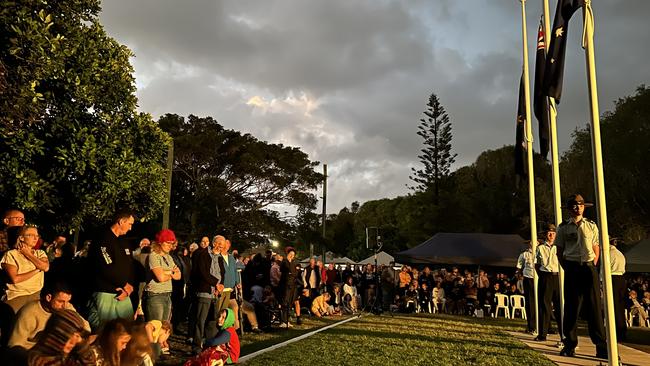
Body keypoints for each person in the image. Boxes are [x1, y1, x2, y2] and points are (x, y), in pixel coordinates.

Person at [555, 194, 607, 359]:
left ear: (584, 207)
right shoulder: (563, 227)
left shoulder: (591, 226)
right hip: (572, 267)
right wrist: (569, 267)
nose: (577, 207)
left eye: (580, 205)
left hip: (588, 267)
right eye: (574, 205)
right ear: (569, 209)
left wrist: (591, 265)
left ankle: (601, 346)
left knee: (594, 308)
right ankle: (569, 344)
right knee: (571, 307)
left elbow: (596, 248)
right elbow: (559, 251)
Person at [86, 210, 136, 331]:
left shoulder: (124, 241)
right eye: (129, 224)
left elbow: (130, 266)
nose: (130, 228)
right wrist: (124, 284)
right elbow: (106, 268)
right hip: (106, 292)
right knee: (107, 331)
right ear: (121, 221)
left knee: (128, 330)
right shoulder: (102, 239)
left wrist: (129, 287)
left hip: (124, 294)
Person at [9, 281, 89, 351]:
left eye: (67, 302)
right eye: (60, 301)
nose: (64, 306)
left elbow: (86, 327)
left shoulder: (66, 307)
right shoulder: (29, 313)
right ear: (48, 297)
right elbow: (14, 346)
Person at [1, 225, 49, 313]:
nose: (35, 238)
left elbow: (45, 267)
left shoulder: (40, 253)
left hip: (36, 294)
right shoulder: (11, 254)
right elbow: (15, 279)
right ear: (21, 238)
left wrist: (28, 254)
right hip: (17, 295)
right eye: (31, 235)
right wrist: (37, 269)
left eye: (37, 235)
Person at [26, 309, 95, 366]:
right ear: (57, 335)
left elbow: (89, 363)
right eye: (71, 335)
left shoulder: (63, 357)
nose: (74, 341)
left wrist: (81, 343)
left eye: (78, 336)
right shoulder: (35, 360)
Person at [189, 235, 221, 353]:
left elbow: (221, 271)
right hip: (204, 291)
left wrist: (220, 285)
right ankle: (196, 345)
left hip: (215, 293)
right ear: (215, 243)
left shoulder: (219, 257)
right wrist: (216, 283)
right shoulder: (203, 254)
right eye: (220, 246)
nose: (221, 248)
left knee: (212, 320)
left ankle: (210, 343)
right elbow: (203, 272)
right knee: (200, 320)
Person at [143, 229, 181, 322]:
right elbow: (160, 278)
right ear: (160, 242)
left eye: (172, 243)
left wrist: (166, 272)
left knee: (164, 328)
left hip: (167, 295)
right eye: (168, 243)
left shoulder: (168, 257)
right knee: (155, 328)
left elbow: (179, 275)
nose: (170, 246)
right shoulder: (153, 256)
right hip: (155, 295)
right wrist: (171, 273)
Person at [534, 223, 562, 342]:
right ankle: (542, 334)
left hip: (557, 276)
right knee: (544, 306)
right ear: (546, 234)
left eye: (553, 233)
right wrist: (543, 275)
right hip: (545, 276)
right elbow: (536, 263)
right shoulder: (540, 248)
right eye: (549, 233)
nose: (551, 235)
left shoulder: (559, 247)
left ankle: (563, 335)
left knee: (560, 306)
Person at [609, 238, 627, 341]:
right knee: (620, 306)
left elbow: (605, 268)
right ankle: (622, 330)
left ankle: (617, 331)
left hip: (613, 278)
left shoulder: (609, 253)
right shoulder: (620, 254)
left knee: (614, 306)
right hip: (621, 278)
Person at [516, 240, 536, 334]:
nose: (533, 243)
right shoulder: (524, 254)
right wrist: (519, 276)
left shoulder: (541, 251)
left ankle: (546, 326)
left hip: (540, 278)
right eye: (531, 242)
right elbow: (519, 267)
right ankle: (531, 326)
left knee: (542, 302)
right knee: (530, 302)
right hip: (528, 278)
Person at [279, 247, 300, 327]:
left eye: (293, 255)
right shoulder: (284, 262)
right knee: (285, 302)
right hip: (285, 285)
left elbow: (295, 273)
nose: (292, 256)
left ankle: (287, 320)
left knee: (289, 303)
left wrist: (292, 272)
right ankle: (283, 321)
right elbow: (286, 271)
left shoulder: (293, 263)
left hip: (292, 286)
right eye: (290, 254)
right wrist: (291, 271)